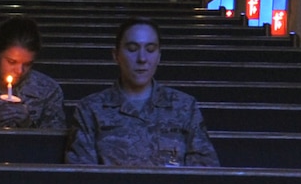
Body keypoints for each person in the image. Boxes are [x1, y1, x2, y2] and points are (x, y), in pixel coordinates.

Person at [66, 17, 219, 167]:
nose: (142, 58)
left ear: (159, 56)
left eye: (150, 49)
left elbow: (204, 173)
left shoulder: (185, 106)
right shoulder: (90, 109)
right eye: (132, 49)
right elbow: (81, 177)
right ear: (116, 55)